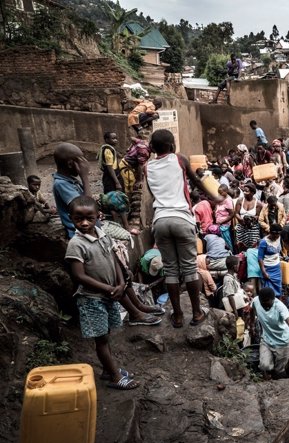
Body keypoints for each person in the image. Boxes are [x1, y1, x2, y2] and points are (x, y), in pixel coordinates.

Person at [64, 196, 139, 390]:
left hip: (109, 295)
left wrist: (121, 282)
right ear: (71, 218)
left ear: (98, 216)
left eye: (89, 218)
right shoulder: (76, 244)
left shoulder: (102, 234)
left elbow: (113, 260)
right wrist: (108, 288)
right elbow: (79, 275)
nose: (85, 223)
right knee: (101, 340)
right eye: (79, 219)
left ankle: (108, 370)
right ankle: (114, 376)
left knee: (106, 335)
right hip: (92, 299)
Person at [146, 129, 215, 328]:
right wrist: (214, 196)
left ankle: (177, 316)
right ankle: (196, 313)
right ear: (171, 145)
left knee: (171, 271)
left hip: (160, 220)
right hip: (182, 218)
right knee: (190, 269)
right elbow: (196, 182)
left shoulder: (147, 167)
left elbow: (154, 194)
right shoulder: (179, 159)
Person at [249, 287, 289, 379]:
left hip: (282, 341)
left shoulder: (279, 306)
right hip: (266, 339)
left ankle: (281, 385)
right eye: (263, 301)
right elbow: (252, 310)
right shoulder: (256, 301)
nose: (266, 303)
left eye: (268, 301)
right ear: (260, 299)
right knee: (264, 366)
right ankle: (267, 381)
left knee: (280, 370)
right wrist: (252, 325)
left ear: (273, 299)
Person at [52, 143, 92, 238]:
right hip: (80, 232)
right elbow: (86, 207)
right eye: (81, 161)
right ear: (70, 164)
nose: (85, 164)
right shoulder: (61, 184)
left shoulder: (70, 180)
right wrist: (84, 177)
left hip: (87, 228)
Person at [234, 183, 263, 251]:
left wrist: (253, 219)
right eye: (244, 191)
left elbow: (258, 216)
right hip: (241, 227)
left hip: (253, 228)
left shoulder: (258, 203)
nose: (245, 193)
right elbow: (236, 213)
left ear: (252, 192)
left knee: (253, 247)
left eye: (247, 191)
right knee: (241, 246)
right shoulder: (240, 200)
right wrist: (240, 219)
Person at [258, 224, 283, 297]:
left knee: (278, 285)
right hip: (267, 268)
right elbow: (260, 258)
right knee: (268, 288)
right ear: (271, 233)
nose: (276, 238)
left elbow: (279, 249)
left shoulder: (279, 237)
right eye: (274, 236)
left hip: (277, 267)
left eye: (278, 235)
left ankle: (278, 300)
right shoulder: (263, 242)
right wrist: (264, 271)